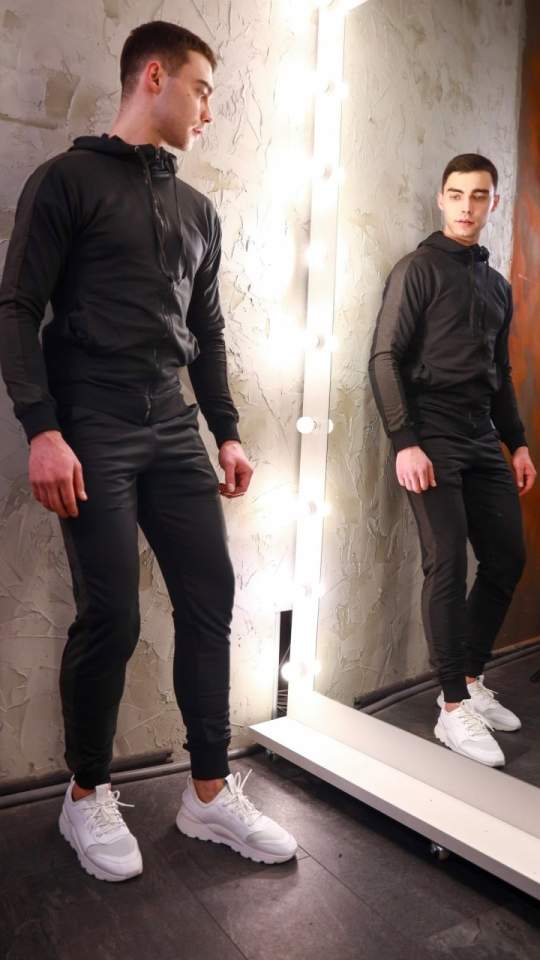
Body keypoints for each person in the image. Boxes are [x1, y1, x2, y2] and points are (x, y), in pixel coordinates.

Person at [0, 20, 297, 881]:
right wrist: (42, 428)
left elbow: (208, 331)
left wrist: (226, 429)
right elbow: (17, 307)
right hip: (89, 422)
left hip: (172, 425)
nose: (210, 110)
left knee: (211, 597)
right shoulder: (66, 181)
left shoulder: (199, 210)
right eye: (203, 90)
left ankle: (208, 793)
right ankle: (85, 794)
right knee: (114, 617)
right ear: (155, 77)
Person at [369, 153, 536, 768]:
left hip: (480, 435)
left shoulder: (496, 286)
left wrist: (517, 442)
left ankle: (469, 676)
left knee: (507, 558)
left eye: (479, 195)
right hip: (431, 433)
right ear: (441, 199)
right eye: (457, 194)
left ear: (493, 202)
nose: (467, 206)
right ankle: (451, 708)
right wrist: (404, 441)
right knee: (447, 562)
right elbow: (383, 358)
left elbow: (500, 372)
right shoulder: (416, 269)